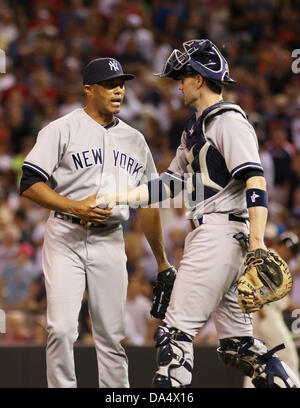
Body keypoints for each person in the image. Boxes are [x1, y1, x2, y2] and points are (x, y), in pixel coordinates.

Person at [96, 40, 300, 388]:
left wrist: (257, 243)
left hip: (220, 236)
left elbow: (255, 180)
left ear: (199, 79)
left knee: (173, 337)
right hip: (224, 242)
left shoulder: (229, 121)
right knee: (242, 348)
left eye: (183, 76)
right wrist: (116, 197)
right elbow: (166, 185)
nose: (178, 84)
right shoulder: (195, 128)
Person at [19, 57, 172, 388]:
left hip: (110, 239)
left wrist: (161, 260)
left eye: (121, 84)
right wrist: (76, 206)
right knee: (60, 328)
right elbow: (29, 183)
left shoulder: (135, 140)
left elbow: (149, 202)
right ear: (89, 90)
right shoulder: (62, 128)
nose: (118, 90)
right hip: (66, 234)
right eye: (109, 84)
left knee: (112, 336)